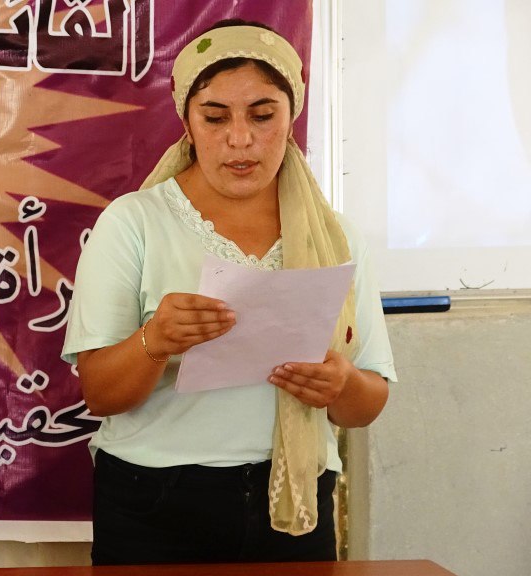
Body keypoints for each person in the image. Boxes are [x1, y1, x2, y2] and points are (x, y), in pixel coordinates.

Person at [61, 20, 396, 565]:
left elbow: (366, 404)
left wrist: (340, 384)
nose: (240, 139)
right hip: (153, 502)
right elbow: (99, 394)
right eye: (215, 117)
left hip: (295, 501)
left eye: (263, 115)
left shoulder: (335, 237)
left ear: (291, 116)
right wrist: (156, 340)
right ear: (187, 123)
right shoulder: (134, 222)